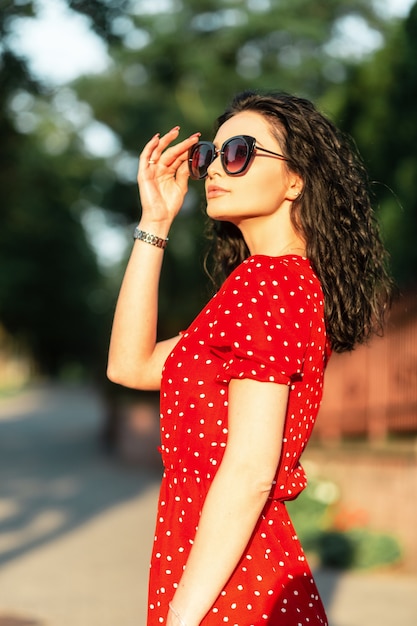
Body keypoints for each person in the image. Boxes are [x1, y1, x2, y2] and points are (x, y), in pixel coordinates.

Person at [107, 90, 392, 626]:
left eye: (238, 152)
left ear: (296, 179)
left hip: (232, 582)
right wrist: (156, 221)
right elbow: (130, 365)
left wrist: (182, 615)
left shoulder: (272, 284)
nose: (215, 169)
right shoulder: (262, 285)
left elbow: (251, 470)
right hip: (220, 565)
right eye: (208, 156)